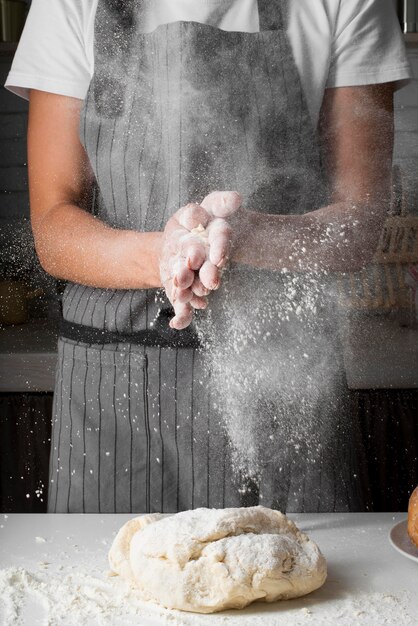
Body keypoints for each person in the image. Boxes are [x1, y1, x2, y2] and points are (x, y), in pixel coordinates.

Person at [5, 0, 411, 513]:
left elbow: (357, 227)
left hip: (282, 384)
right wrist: (163, 253)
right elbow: (53, 229)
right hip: (114, 388)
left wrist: (244, 235)